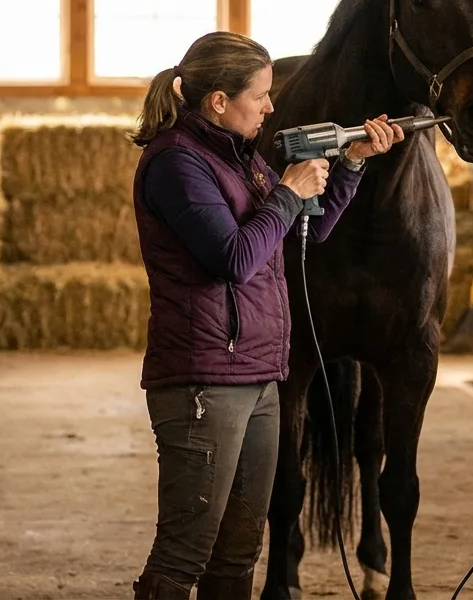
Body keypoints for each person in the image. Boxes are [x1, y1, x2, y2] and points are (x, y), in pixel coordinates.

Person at [129, 31, 405, 600]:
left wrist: (350, 165)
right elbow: (232, 258)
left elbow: (303, 237)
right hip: (203, 380)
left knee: (239, 549)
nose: (272, 107)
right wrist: (285, 191)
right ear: (219, 101)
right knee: (185, 550)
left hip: (257, 376)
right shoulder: (177, 163)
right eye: (260, 95)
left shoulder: (240, 156)